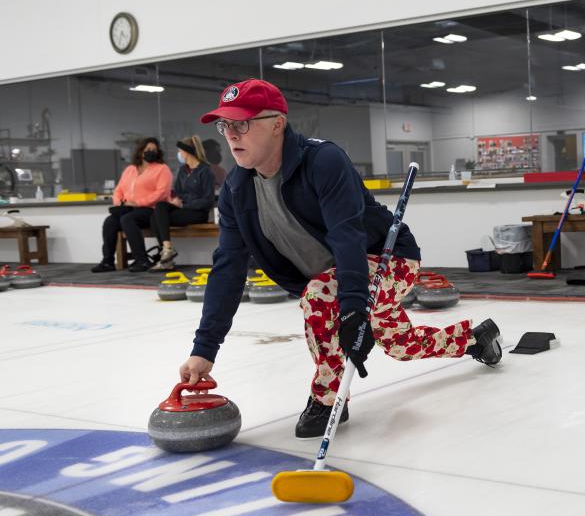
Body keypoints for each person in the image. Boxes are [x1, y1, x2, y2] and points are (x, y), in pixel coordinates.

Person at [176, 79, 502, 438]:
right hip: (334, 278)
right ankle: (474, 338)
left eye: (242, 123)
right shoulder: (237, 189)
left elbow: (348, 236)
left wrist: (351, 308)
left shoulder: (323, 160)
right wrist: (204, 349)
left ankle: (329, 397)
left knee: (319, 296)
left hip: (386, 260)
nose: (231, 135)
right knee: (400, 346)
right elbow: (228, 268)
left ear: (276, 123)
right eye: (225, 126)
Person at [91, 138, 172, 273]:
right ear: (141, 152)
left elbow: (162, 193)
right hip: (128, 209)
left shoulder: (162, 169)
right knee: (110, 221)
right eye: (148, 150)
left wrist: (139, 203)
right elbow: (118, 190)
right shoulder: (130, 169)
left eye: (154, 150)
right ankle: (108, 261)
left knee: (127, 219)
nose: (151, 152)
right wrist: (119, 203)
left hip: (150, 210)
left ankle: (142, 260)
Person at [150, 136, 217, 271]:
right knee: (159, 209)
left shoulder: (205, 171)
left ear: (187, 151)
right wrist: (176, 200)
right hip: (183, 209)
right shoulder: (182, 170)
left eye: (180, 151)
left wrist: (184, 204)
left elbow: (207, 200)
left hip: (198, 213)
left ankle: (166, 256)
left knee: (156, 218)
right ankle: (167, 249)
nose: (179, 154)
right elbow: (179, 192)